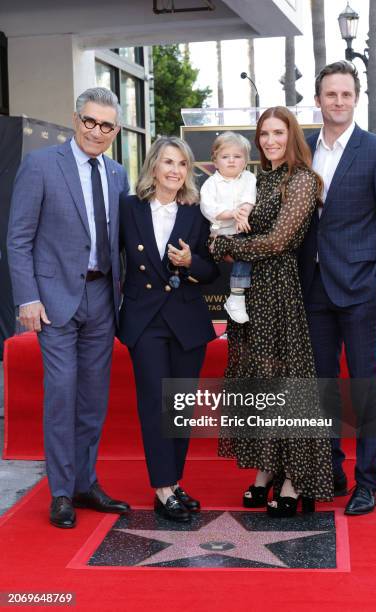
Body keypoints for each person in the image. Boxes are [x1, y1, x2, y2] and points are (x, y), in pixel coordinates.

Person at [7, 87, 131, 528]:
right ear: (76, 120)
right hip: (54, 300)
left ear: (115, 131)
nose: (97, 131)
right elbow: (19, 238)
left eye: (107, 125)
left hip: (102, 298)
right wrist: (28, 297)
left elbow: (122, 241)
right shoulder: (41, 165)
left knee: (93, 398)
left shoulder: (118, 174)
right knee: (62, 394)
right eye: (90, 121)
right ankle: (60, 492)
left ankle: (85, 482)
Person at [298, 61, 376, 515]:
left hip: (363, 288)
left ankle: (367, 483)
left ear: (356, 99)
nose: (338, 102)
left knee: (365, 386)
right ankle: (331, 468)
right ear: (319, 99)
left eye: (346, 94)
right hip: (313, 289)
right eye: (331, 94)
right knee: (322, 386)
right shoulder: (302, 151)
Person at [211, 107, 334, 518]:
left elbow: (279, 241)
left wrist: (227, 248)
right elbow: (223, 221)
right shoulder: (257, 179)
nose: (269, 141)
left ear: (292, 135)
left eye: (278, 133)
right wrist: (221, 240)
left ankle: (295, 479)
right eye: (264, 133)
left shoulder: (301, 180)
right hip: (248, 297)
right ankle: (266, 469)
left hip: (281, 294)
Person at [117, 136, 219, 523]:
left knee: (179, 407)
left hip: (186, 322)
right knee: (155, 406)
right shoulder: (129, 208)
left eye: (182, 163)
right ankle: (162, 487)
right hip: (145, 321)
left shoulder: (197, 212)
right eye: (168, 162)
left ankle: (173, 484)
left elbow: (212, 272)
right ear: (153, 167)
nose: (175, 170)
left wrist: (192, 262)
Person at [200, 132, 256, 324]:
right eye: (225, 157)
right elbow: (209, 209)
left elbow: (250, 199)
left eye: (237, 156)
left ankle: (239, 296)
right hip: (220, 235)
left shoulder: (249, 178)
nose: (231, 161)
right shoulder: (210, 184)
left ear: (246, 160)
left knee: (249, 248)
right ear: (215, 162)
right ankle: (237, 296)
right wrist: (234, 214)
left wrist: (244, 213)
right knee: (241, 250)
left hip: (242, 231)